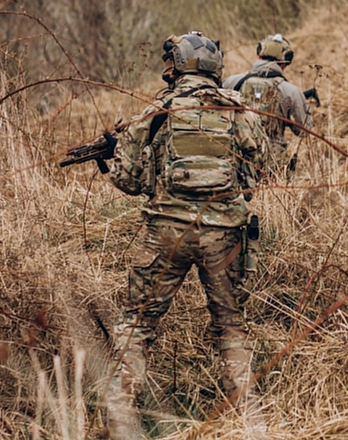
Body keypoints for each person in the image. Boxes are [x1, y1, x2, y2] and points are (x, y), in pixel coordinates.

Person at [105, 31, 267, 439]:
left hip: (166, 234)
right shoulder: (237, 110)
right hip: (224, 237)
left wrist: (112, 161)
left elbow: (130, 181)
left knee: (137, 323)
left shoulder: (157, 111)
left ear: (176, 66)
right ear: (214, 68)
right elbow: (261, 167)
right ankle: (250, 418)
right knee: (231, 325)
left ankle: (120, 416)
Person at [223, 34, 313, 176]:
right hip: (272, 166)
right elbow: (304, 130)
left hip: (237, 160)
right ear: (284, 64)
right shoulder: (291, 91)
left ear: (259, 56)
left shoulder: (231, 82)